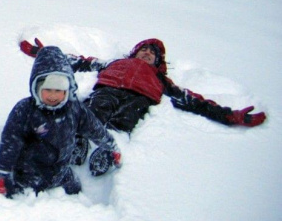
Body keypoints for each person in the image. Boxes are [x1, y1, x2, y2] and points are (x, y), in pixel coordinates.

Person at [20, 38, 267, 136]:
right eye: (144, 49)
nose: (147, 53)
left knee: (123, 123)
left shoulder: (161, 80)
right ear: (135, 52)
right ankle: (80, 141)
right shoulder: (116, 63)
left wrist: (230, 116)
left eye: (152, 53)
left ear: (158, 61)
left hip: (140, 99)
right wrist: (42, 52)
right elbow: (81, 61)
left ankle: (104, 152)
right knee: (95, 111)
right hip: (108, 89)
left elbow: (195, 101)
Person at [0, 46, 122, 198]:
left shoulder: (75, 109)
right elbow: (11, 141)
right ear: (36, 87)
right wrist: (3, 173)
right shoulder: (25, 110)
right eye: (48, 90)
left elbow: (94, 129)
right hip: (29, 172)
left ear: (67, 90)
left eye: (58, 91)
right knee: (8, 192)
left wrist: (111, 146)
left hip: (61, 172)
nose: (53, 96)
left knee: (76, 189)